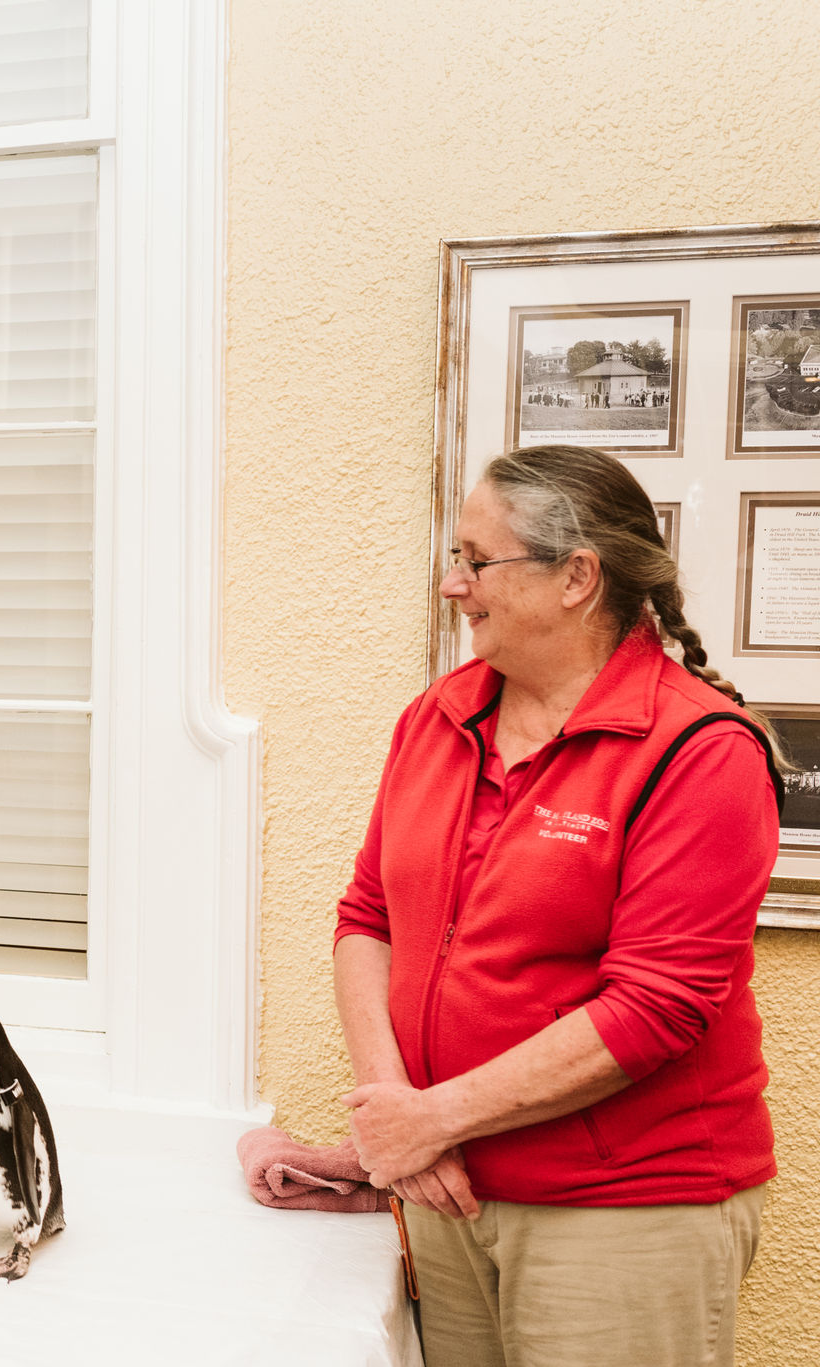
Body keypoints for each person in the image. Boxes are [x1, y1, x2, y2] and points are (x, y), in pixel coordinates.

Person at [334, 444, 782, 1367]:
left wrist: (434, 1118)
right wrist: (397, 1114)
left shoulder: (700, 750)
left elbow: (656, 1004)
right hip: (446, 1188)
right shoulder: (438, 718)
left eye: (476, 559)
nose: (455, 584)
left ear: (578, 576)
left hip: (622, 1208)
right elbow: (367, 918)